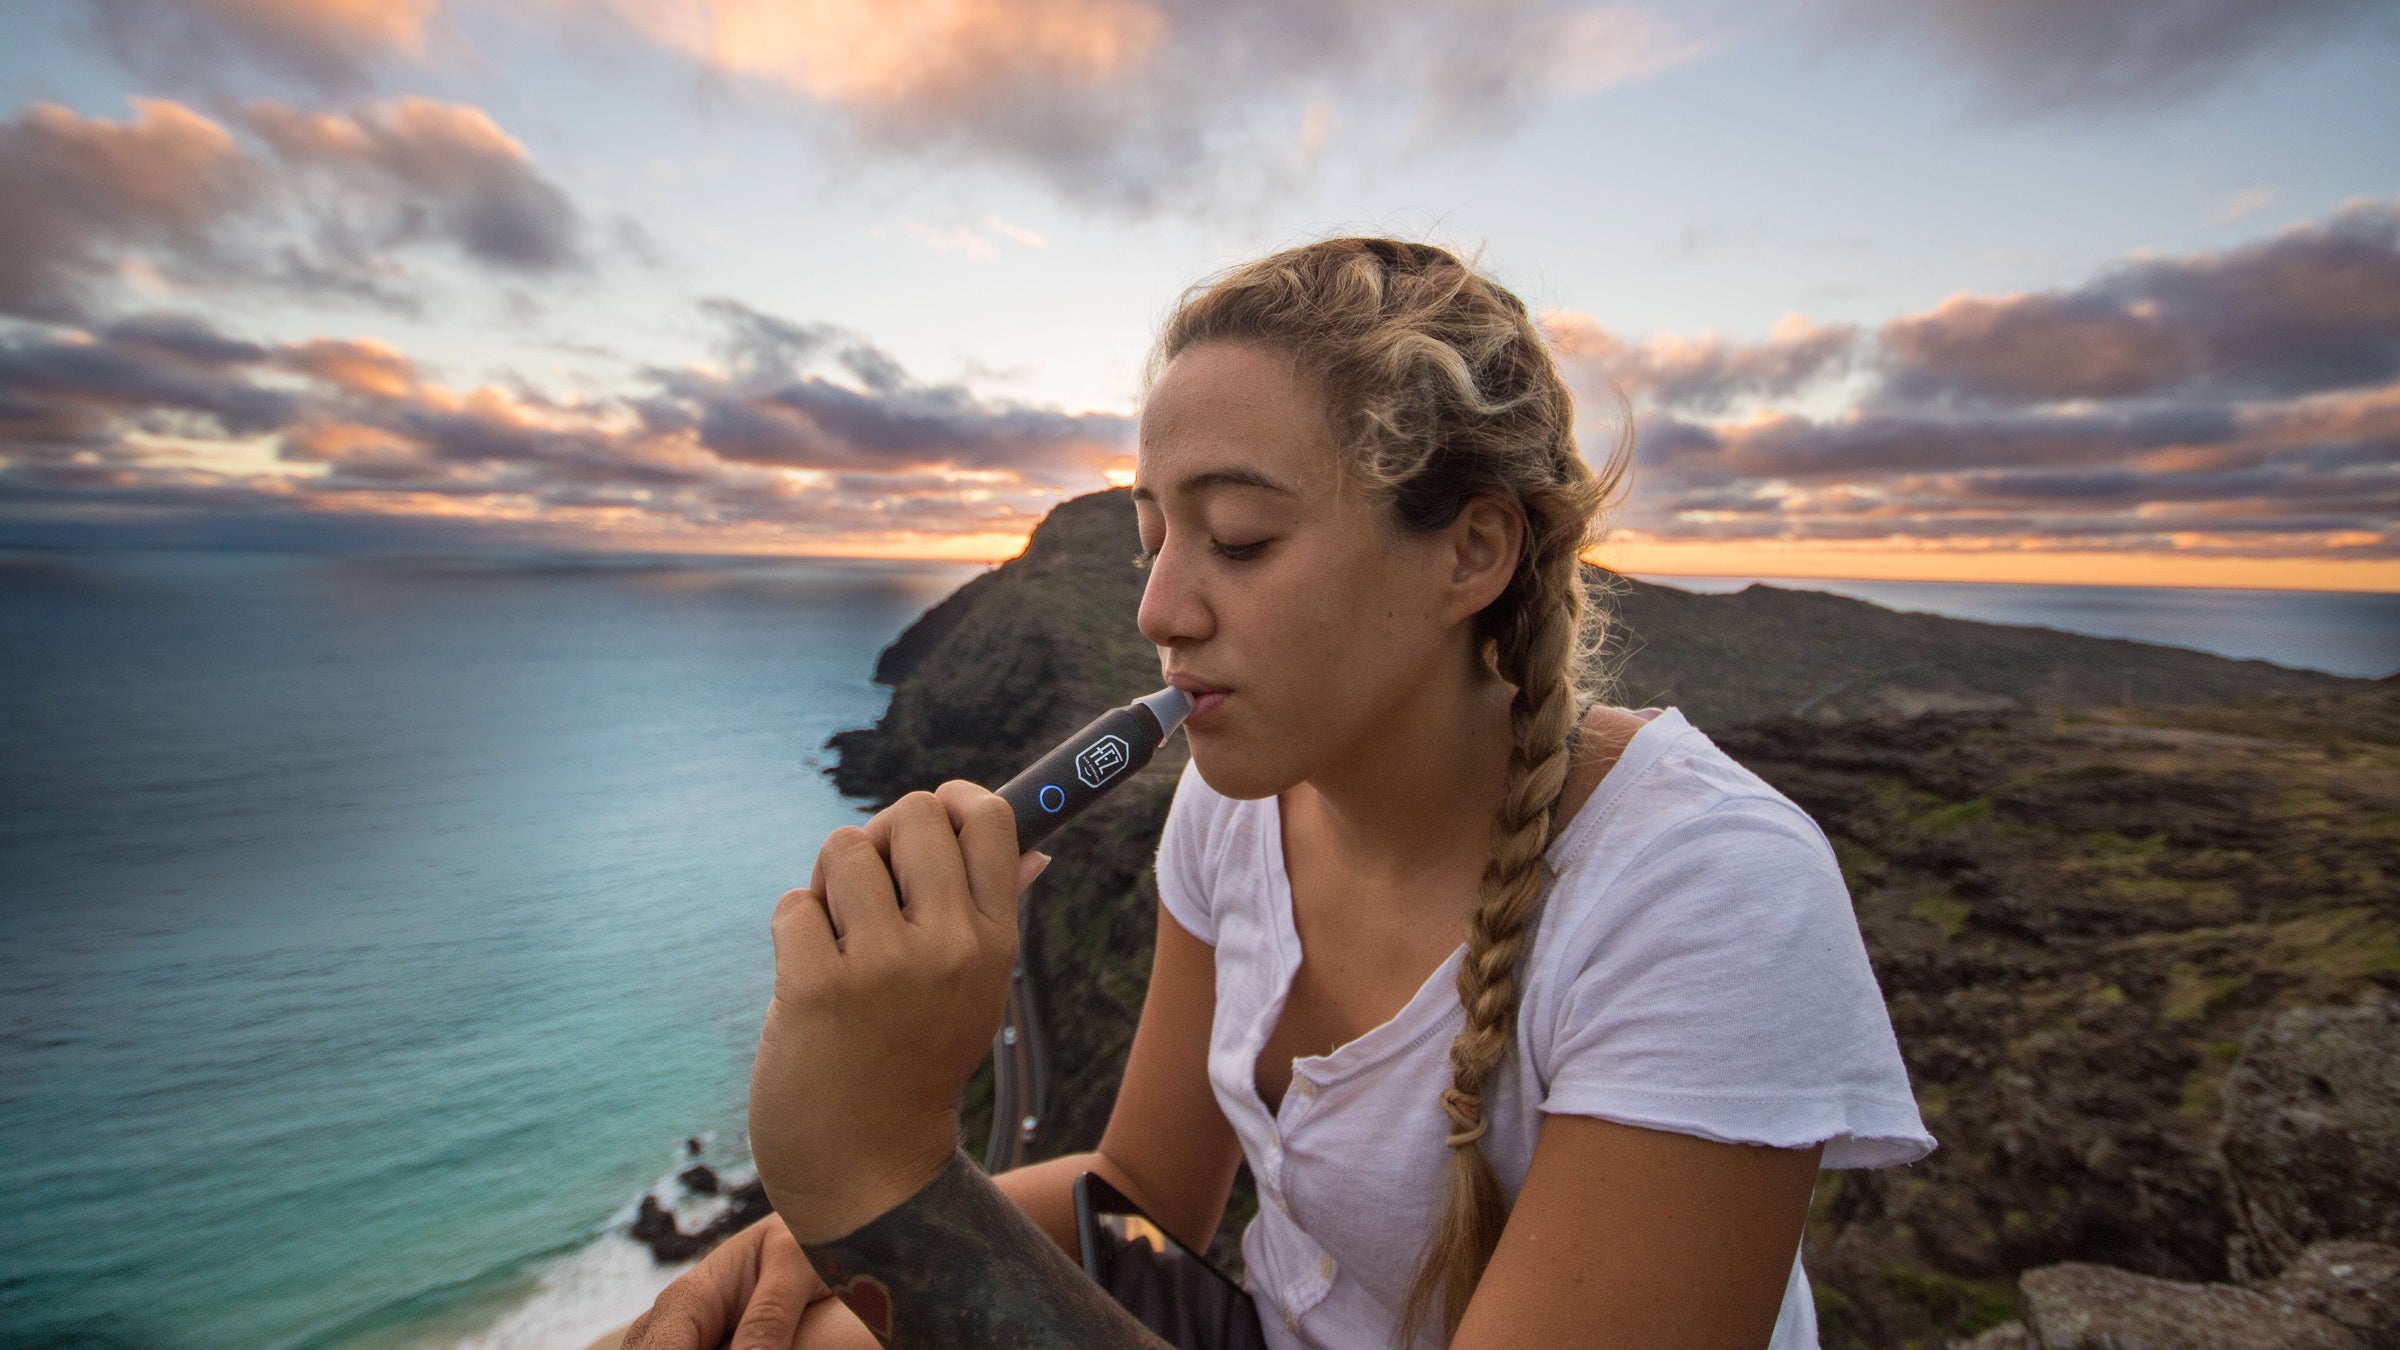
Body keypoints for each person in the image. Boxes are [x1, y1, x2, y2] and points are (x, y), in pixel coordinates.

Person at [608, 237, 1933, 1350]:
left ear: (1471, 549)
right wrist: (828, 1247)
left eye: (1237, 537)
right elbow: (1141, 1201)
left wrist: (882, 1180)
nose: (1159, 607)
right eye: (1153, 541)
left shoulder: (1709, 895)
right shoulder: (1229, 810)